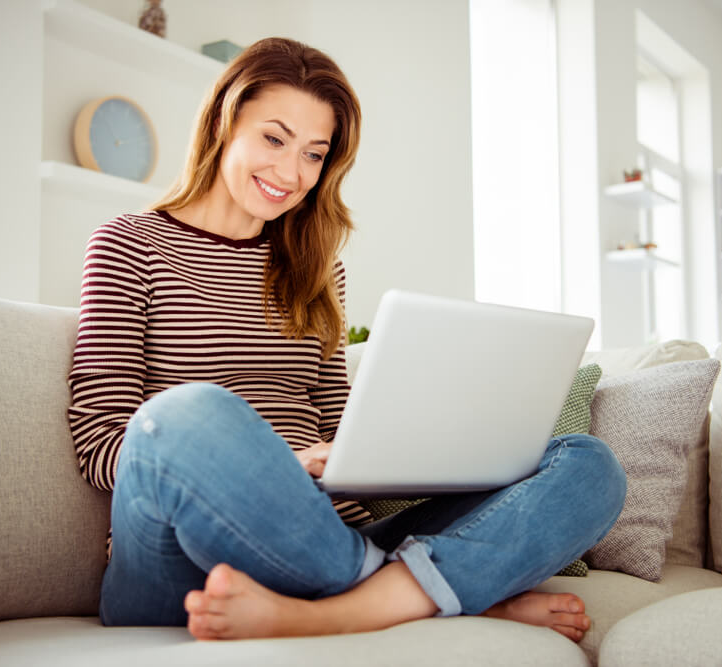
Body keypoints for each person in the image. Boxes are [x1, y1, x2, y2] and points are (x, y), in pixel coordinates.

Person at [67, 36, 626, 643]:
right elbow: (101, 445)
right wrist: (282, 465)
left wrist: (415, 453)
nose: (290, 173)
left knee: (587, 464)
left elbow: (339, 429)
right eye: (274, 139)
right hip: (179, 560)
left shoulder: (315, 266)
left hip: (329, 536)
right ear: (223, 125)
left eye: (314, 154)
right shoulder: (127, 245)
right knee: (183, 414)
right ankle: (425, 595)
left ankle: (333, 611)